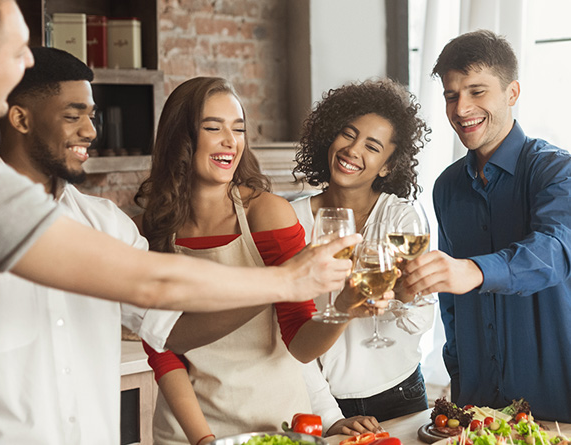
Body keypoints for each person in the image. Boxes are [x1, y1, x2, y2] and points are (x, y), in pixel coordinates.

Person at [0, 0, 356, 443]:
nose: (91, 131)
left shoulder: (106, 221)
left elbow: (169, 327)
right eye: (17, 52)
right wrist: (287, 280)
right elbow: (155, 284)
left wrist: (297, 291)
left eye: (91, 116)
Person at [133, 76, 389, 445]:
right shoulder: (147, 231)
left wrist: (346, 306)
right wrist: (204, 440)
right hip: (186, 431)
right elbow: (164, 350)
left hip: (276, 427)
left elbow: (300, 345)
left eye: (238, 129)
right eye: (212, 127)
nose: (230, 141)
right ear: (181, 137)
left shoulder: (267, 214)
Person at [404, 29, 571, 422]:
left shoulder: (557, 170)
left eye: (477, 91)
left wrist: (474, 270)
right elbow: (450, 306)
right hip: (475, 404)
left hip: (557, 403)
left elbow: (555, 249)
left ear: (512, 93)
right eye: (451, 95)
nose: (461, 108)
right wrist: (458, 374)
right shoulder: (446, 186)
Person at [291, 79, 435, 435]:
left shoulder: (401, 218)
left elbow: (421, 315)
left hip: (401, 393)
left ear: (387, 166)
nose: (352, 150)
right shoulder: (290, 220)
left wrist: (403, 293)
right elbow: (285, 333)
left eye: (372, 146)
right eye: (347, 135)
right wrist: (328, 414)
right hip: (319, 400)